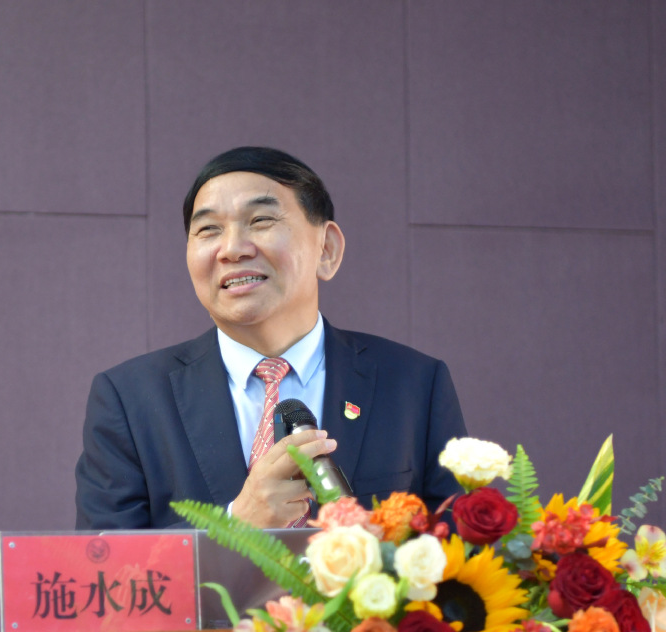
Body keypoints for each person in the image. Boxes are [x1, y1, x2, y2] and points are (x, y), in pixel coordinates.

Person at [75, 147, 466, 530]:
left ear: (326, 249)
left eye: (260, 220)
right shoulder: (129, 398)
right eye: (209, 229)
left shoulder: (415, 384)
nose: (231, 249)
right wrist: (235, 524)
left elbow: (461, 550)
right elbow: (103, 563)